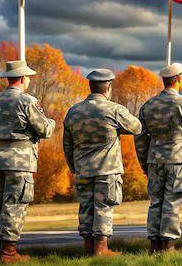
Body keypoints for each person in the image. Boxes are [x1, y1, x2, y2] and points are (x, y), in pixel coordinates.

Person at [0, 60, 55, 263]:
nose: (28, 80)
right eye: (27, 77)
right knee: (15, 204)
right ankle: (8, 252)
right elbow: (44, 130)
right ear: (22, 79)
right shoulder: (27, 101)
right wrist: (51, 121)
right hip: (20, 162)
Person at [63, 69, 142, 256]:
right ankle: (101, 248)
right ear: (108, 87)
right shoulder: (114, 110)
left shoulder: (74, 111)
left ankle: (88, 248)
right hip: (107, 169)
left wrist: (74, 167)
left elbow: (67, 143)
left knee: (86, 207)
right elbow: (137, 127)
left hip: (82, 169)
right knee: (103, 207)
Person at [135, 63, 182, 253]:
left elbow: (140, 137)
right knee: (172, 202)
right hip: (178, 158)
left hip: (154, 158)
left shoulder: (148, 106)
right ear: (179, 79)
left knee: (156, 201)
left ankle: (154, 244)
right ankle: (168, 244)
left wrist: (144, 163)